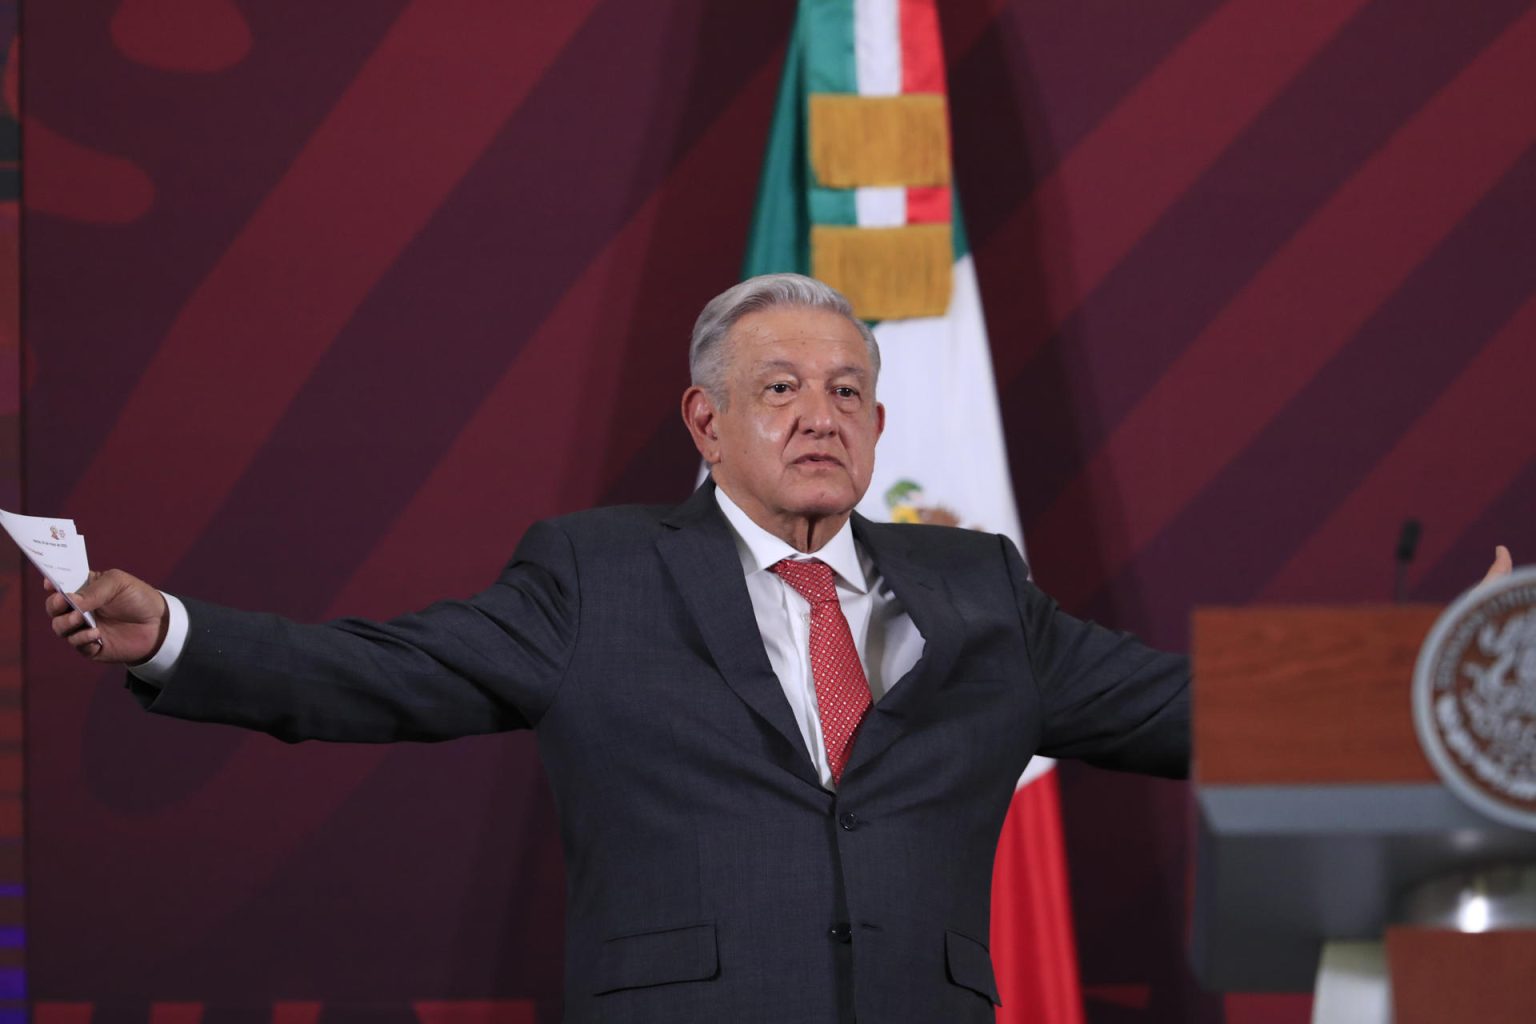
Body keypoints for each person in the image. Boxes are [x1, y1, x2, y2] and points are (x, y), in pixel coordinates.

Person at [44, 274, 1513, 1023]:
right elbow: (386, 674)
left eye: (849, 390)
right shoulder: (595, 573)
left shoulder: (980, 587)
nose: (820, 414)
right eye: (780, 387)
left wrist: (1453, 674)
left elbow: (1211, 711)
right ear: (706, 421)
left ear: (880, 425)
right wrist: (172, 631)